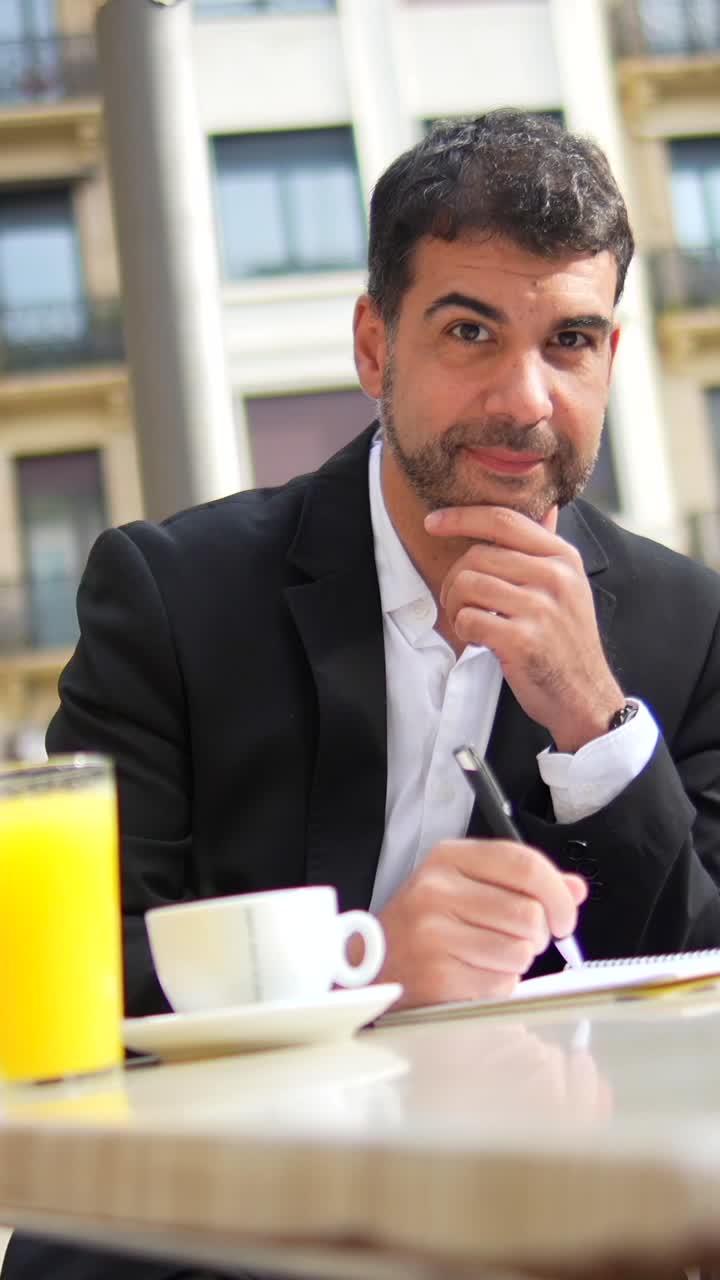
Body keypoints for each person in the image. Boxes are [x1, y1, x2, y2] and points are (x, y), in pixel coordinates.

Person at [6, 109, 720, 1280]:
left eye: (571, 340)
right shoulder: (174, 596)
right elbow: (62, 979)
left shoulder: (685, 627)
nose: (526, 398)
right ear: (375, 346)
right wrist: (361, 964)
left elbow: (702, 1001)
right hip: (201, 1239)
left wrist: (595, 724)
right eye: (470, 330)